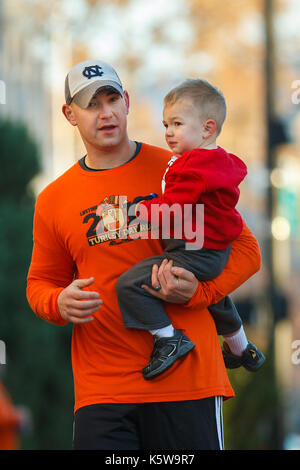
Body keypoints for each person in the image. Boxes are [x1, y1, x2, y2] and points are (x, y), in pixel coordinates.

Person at [26, 59, 262, 450]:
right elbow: (39, 285)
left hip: (188, 385)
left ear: (127, 102)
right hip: (103, 393)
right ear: (69, 114)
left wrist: (199, 292)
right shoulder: (53, 199)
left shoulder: (180, 168)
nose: (106, 113)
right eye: (91, 104)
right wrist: (58, 301)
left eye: (112, 99)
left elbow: (246, 251)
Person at [116, 78, 265, 380]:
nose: (168, 132)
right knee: (217, 297)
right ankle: (241, 348)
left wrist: (138, 210)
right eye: (166, 124)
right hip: (214, 252)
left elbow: (173, 209)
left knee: (130, 284)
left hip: (194, 251)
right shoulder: (219, 162)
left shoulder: (192, 168)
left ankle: (168, 339)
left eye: (177, 124)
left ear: (208, 128)